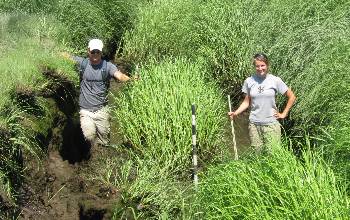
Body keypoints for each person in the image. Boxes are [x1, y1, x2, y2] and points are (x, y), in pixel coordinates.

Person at [64, 39, 133, 150]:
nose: (95, 54)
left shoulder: (108, 66)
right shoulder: (82, 63)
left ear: (101, 52)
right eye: (93, 52)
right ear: (88, 51)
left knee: (104, 141)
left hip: (102, 110)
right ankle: (91, 153)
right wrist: (53, 51)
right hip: (85, 111)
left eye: (98, 52)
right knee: (89, 135)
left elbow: (119, 76)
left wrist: (130, 79)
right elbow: (67, 57)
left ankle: (102, 157)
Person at [228, 53, 296, 154]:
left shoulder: (275, 80)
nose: (260, 68)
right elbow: (247, 101)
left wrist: (284, 113)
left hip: (271, 124)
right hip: (254, 125)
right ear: (254, 66)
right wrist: (236, 113)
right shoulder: (249, 81)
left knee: (273, 155)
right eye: (257, 66)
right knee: (257, 155)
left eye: (262, 65)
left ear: (267, 65)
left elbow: (292, 96)